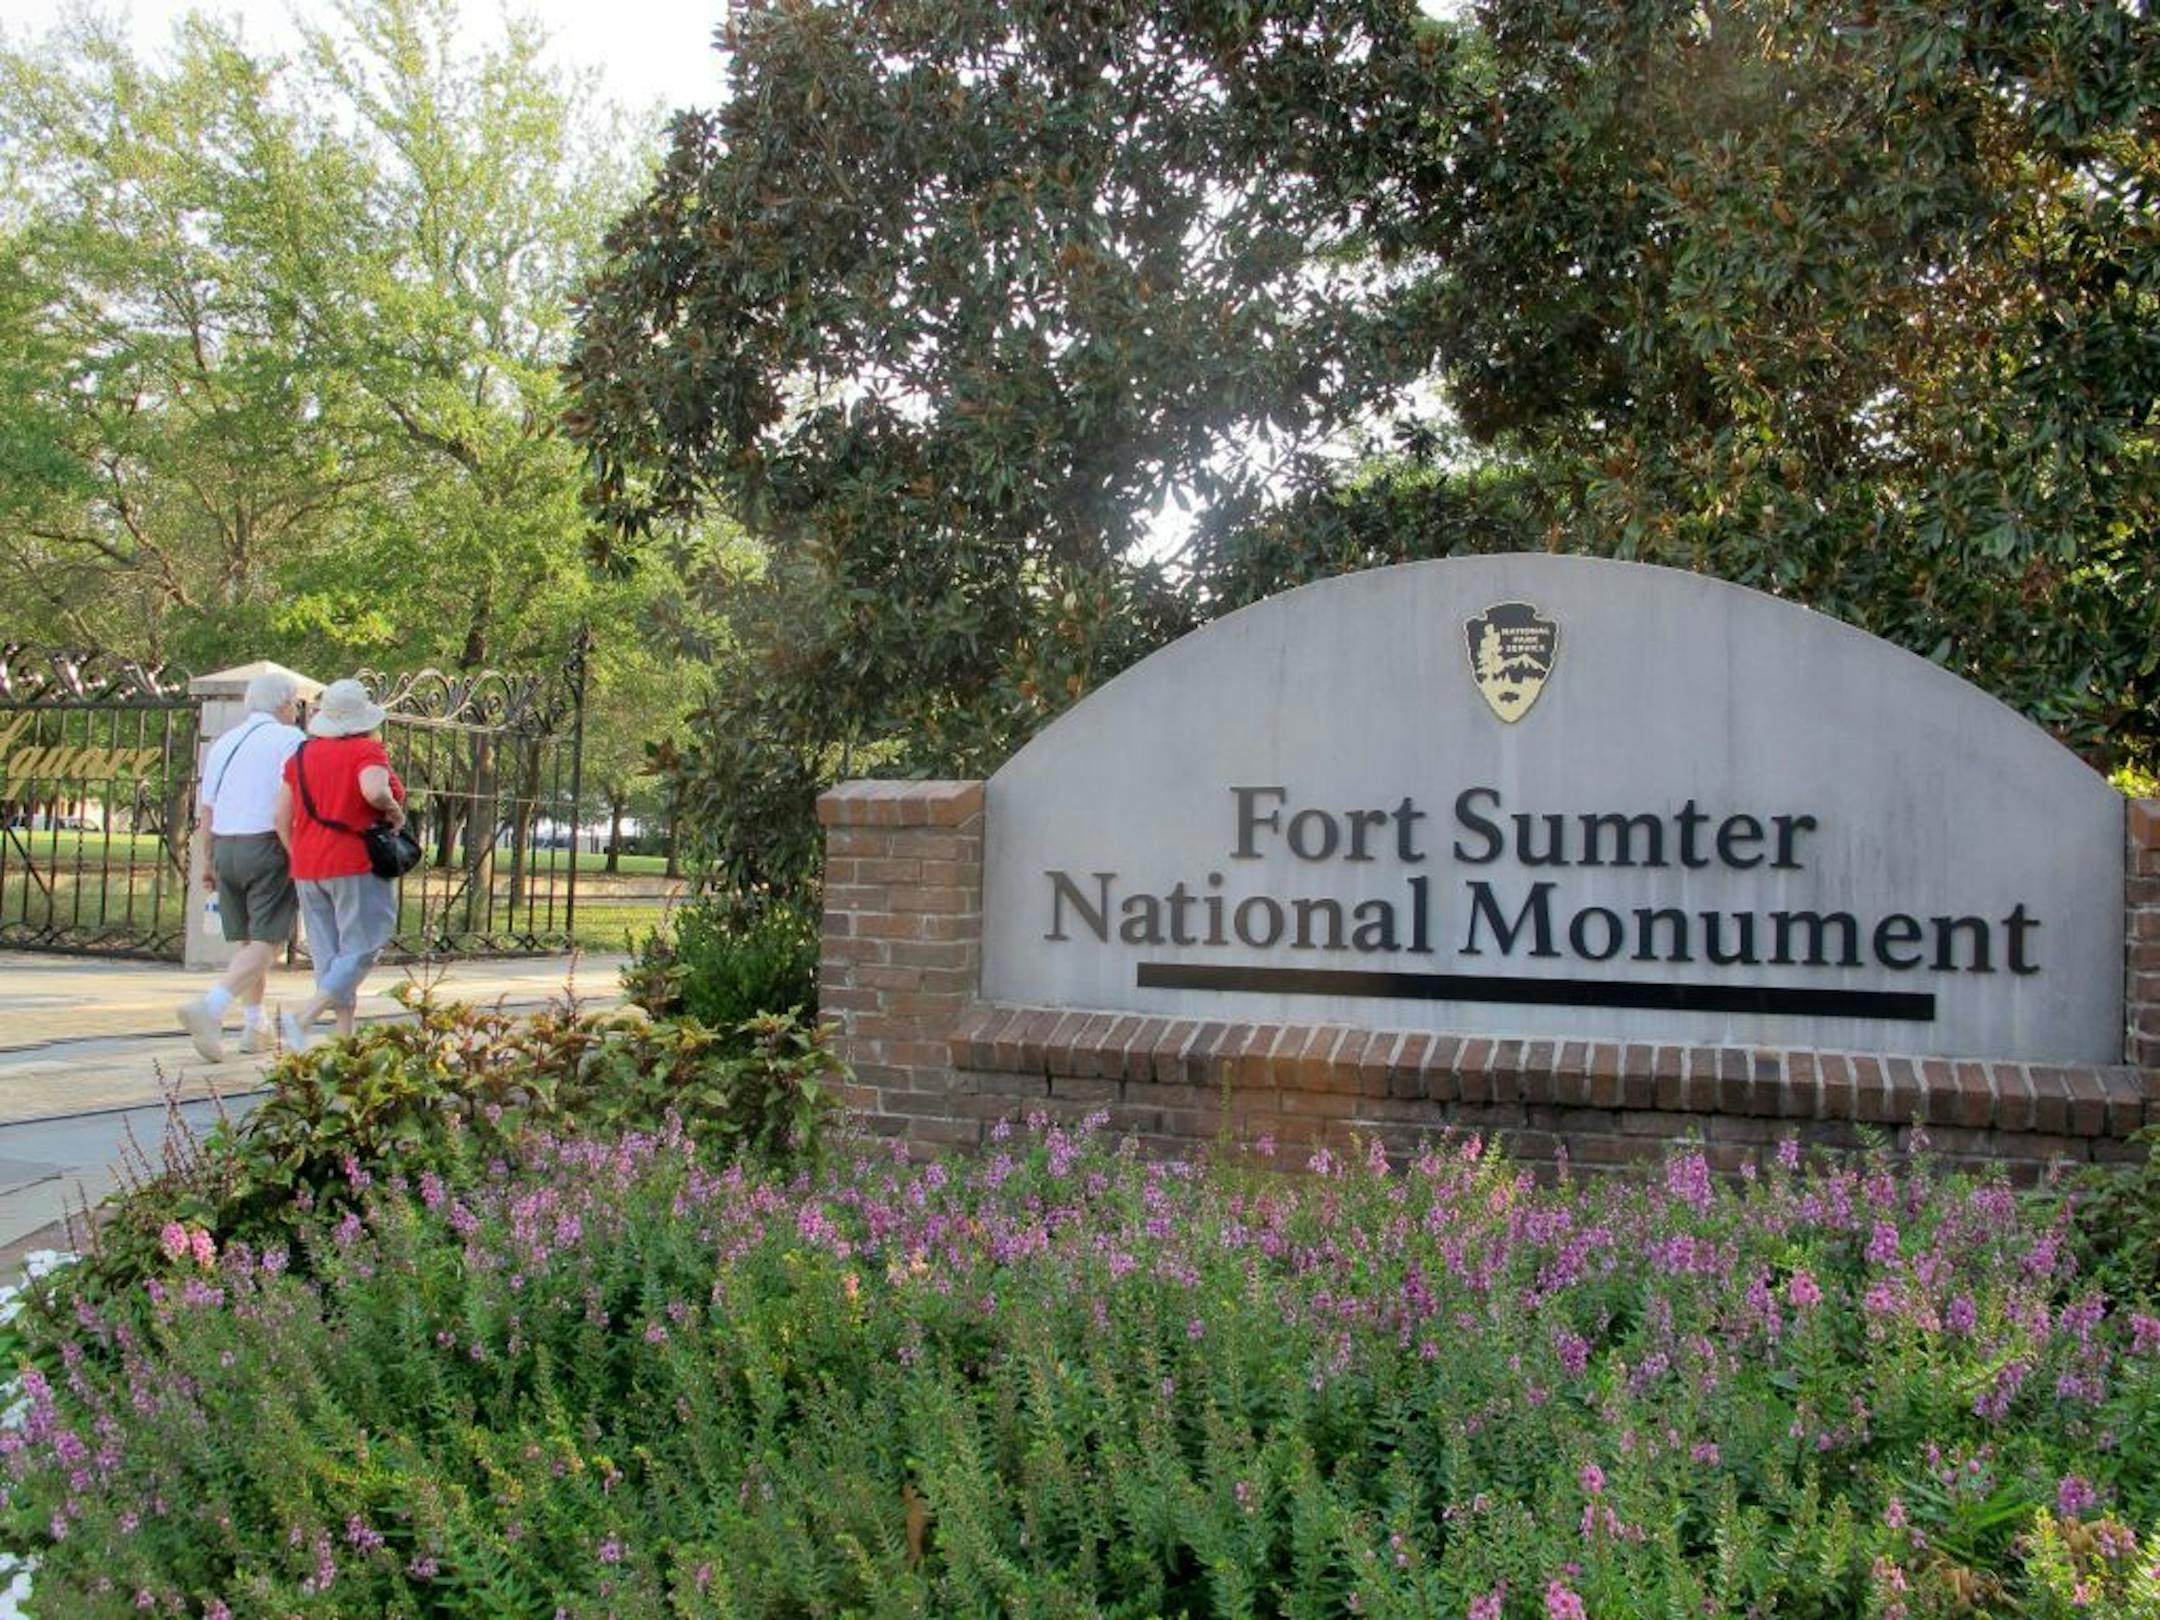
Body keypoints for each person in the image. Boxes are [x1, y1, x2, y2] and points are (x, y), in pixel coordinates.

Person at [177, 672, 307, 1061]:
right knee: (269, 941)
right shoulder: (291, 740)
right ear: (285, 704)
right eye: (294, 703)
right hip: (267, 844)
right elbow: (291, 802)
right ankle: (212, 1006)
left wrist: (207, 860)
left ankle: (255, 1024)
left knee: (249, 940)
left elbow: (207, 810)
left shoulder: (225, 743)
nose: (295, 710)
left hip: (225, 845)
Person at [273, 677, 407, 1052]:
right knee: (365, 945)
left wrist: (298, 853)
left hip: (308, 866)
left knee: (329, 955)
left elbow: (280, 818)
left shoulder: (300, 757)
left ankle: (343, 1038)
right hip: (355, 862)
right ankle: (306, 1015)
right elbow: (374, 790)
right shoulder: (367, 750)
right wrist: (393, 810)